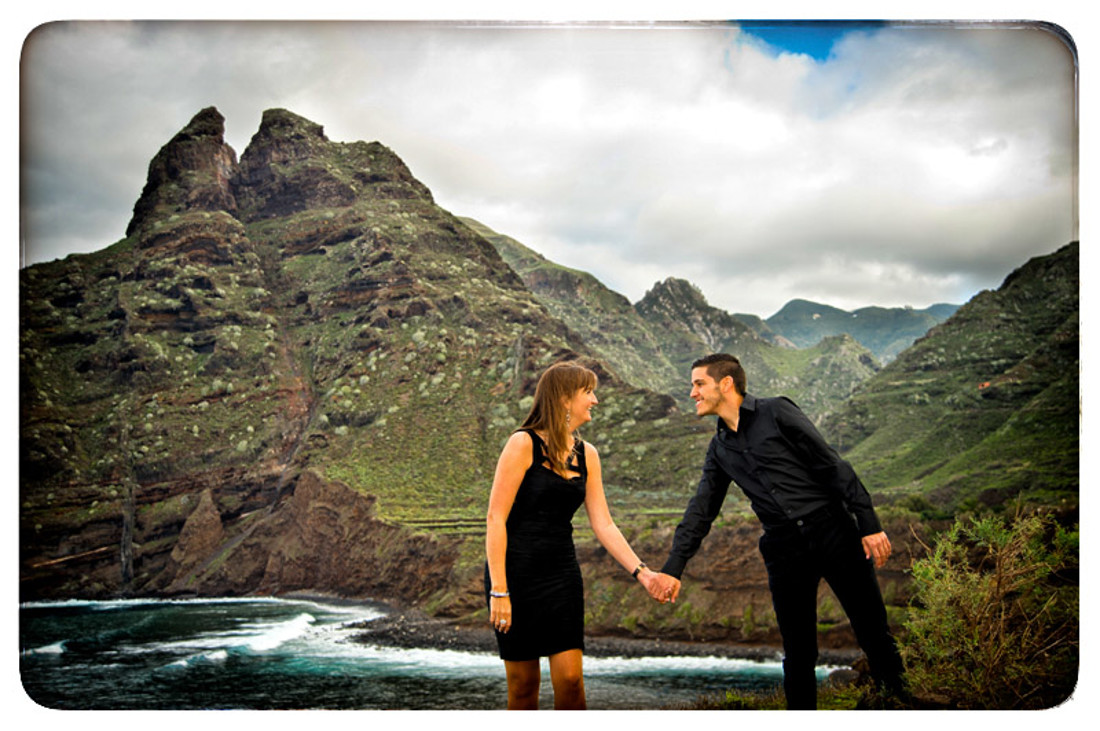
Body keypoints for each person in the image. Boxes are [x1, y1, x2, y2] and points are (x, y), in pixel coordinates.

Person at [645, 353, 907, 709]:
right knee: (798, 651)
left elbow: (832, 465)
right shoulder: (719, 449)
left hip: (833, 530)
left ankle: (900, 706)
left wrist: (868, 524)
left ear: (726, 384)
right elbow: (700, 511)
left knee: (873, 633)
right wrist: (673, 568)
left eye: (698, 383)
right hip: (784, 549)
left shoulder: (776, 412)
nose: (692, 393)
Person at [484, 360, 663, 710]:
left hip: (561, 575)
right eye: (589, 392)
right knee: (523, 687)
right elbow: (495, 518)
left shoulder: (588, 455)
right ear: (565, 399)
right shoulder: (522, 443)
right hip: (515, 575)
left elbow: (604, 524)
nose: (595, 400)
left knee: (570, 681)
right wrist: (499, 590)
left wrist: (643, 574)